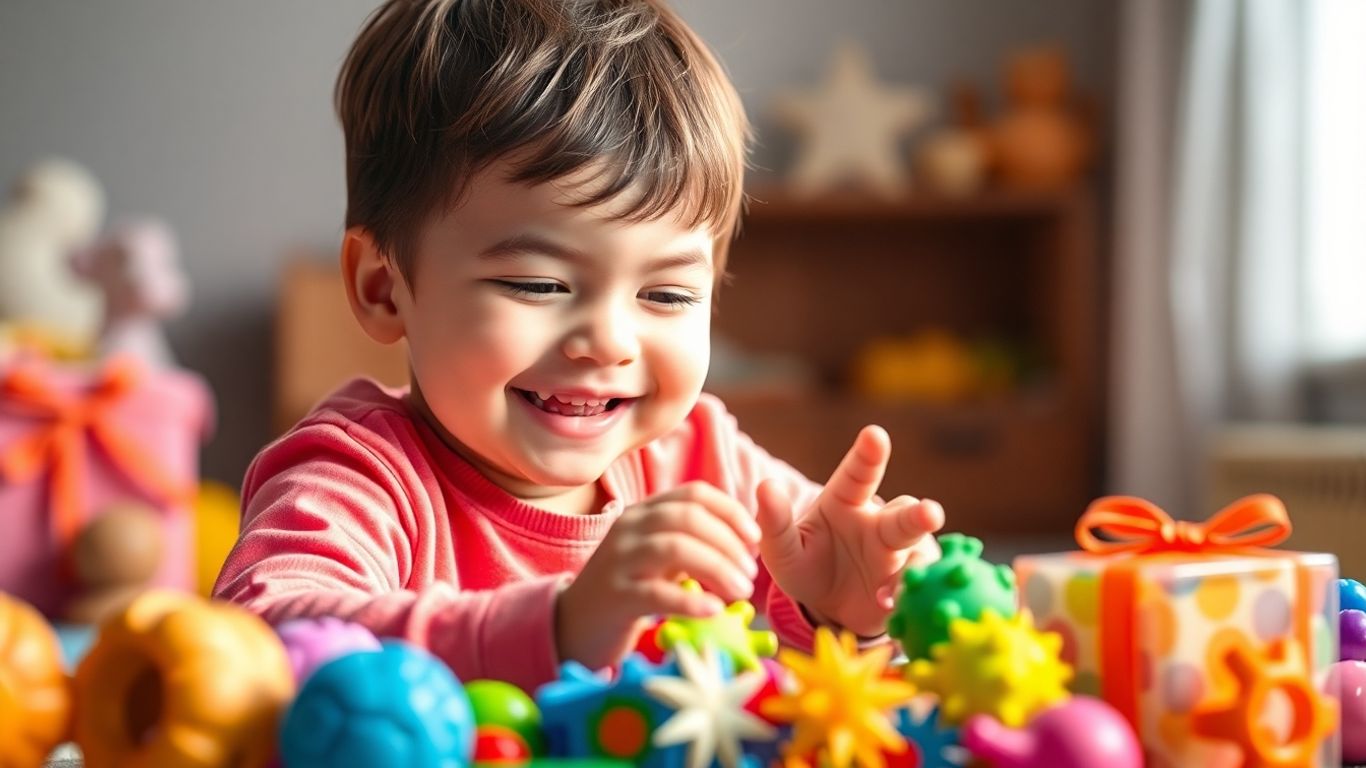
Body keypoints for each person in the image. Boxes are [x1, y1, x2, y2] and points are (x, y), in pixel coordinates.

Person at [214, 0, 943, 692]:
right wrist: (556, 629)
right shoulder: (358, 476)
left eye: (666, 295)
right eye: (537, 284)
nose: (608, 342)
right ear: (382, 286)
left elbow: (817, 692)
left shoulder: (702, 459)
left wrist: (842, 612)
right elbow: (257, 648)